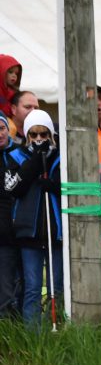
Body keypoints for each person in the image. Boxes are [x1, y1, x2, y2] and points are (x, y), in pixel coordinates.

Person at [4, 110, 62, 326]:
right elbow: (13, 188)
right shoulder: (16, 156)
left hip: (55, 231)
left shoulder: (61, 156)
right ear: (27, 135)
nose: (39, 139)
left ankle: (57, 327)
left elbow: (68, 187)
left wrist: (54, 185)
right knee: (32, 286)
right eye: (34, 135)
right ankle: (32, 335)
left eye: (43, 135)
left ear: (51, 135)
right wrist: (36, 159)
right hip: (28, 232)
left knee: (57, 286)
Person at [0, 112, 28, 318]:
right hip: (3, 235)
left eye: (1, 128)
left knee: (28, 281)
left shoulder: (20, 154)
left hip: (24, 229)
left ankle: (23, 325)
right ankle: (9, 329)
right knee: (5, 285)